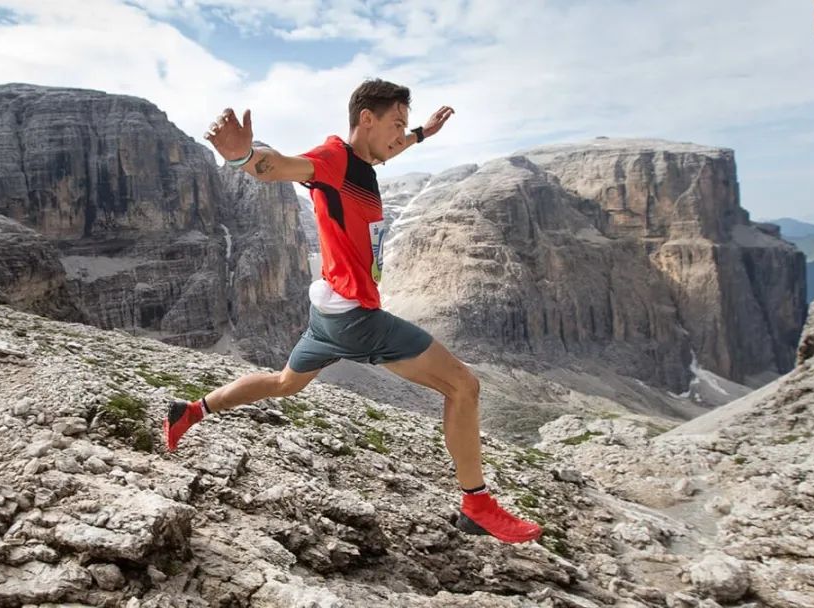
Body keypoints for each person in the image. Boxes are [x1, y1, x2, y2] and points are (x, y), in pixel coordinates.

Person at [164, 79, 543, 544]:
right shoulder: (333, 159)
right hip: (355, 317)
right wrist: (245, 158)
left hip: (326, 313)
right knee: (464, 386)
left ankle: (190, 411)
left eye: (404, 127)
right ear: (367, 119)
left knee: (285, 384)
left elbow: (389, 151)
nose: (399, 136)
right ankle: (476, 505)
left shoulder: (364, 159)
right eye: (395, 124)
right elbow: (278, 167)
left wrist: (423, 132)